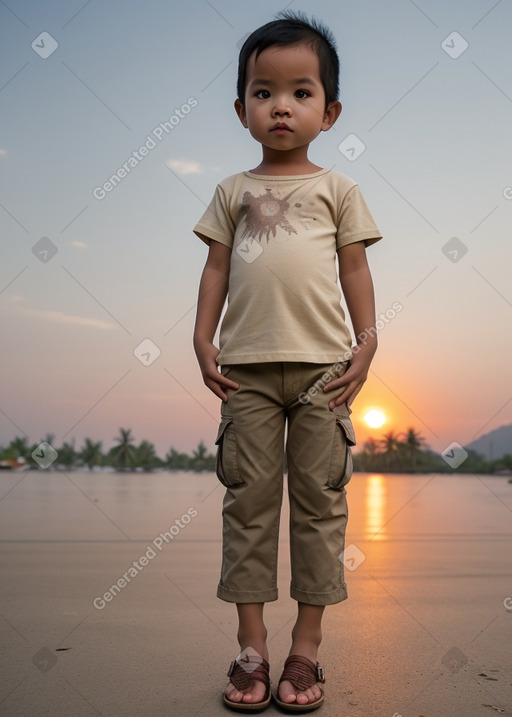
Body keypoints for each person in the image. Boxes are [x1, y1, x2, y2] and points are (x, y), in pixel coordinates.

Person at [193, 11, 382, 712]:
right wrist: (201, 336)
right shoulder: (232, 191)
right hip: (244, 370)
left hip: (324, 372)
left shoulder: (338, 190)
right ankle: (252, 648)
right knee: (246, 504)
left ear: (328, 111)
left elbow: (355, 270)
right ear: (242, 109)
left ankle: (305, 650)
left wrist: (368, 340)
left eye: (300, 91)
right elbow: (216, 269)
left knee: (319, 507)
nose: (281, 105)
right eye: (264, 91)